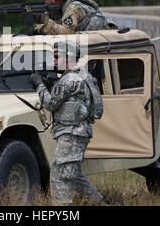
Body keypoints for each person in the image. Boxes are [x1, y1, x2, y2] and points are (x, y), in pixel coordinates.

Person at [31, 40, 105, 205]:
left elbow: (50, 104)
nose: (54, 61)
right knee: (73, 174)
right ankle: (99, 202)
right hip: (78, 132)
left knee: (60, 177)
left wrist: (39, 85)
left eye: (57, 57)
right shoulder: (83, 76)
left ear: (68, 57)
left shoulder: (69, 79)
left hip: (71, 134)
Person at [34, 0, 117, 35]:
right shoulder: (55, 11)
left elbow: (67, 33)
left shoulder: (73, 8)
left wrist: (45, 20)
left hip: (104, 40)